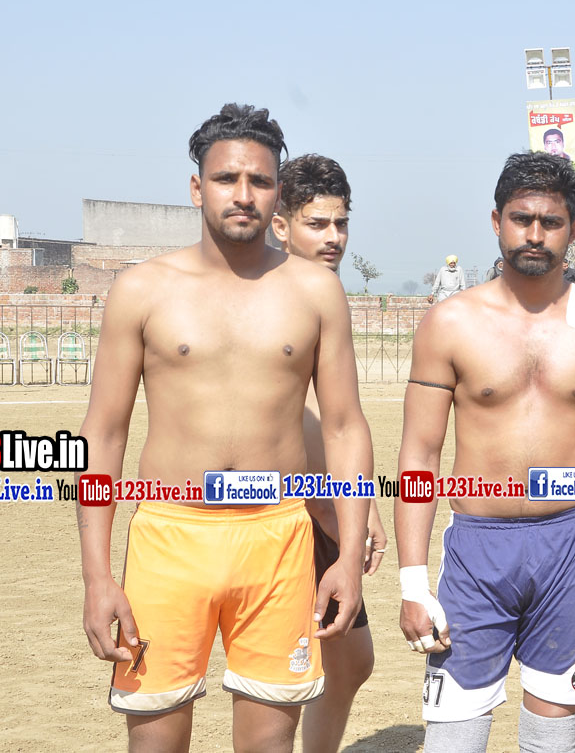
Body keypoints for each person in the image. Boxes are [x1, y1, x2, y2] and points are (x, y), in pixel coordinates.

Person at [77, 104, 372, 753]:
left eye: (259, 180)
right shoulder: (142, 289)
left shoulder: (315, 291)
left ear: (277, 192)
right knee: (155, 742)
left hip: (278, 539)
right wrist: (97, 575)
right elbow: (103, 434)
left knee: (269, 743)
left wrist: (348, 557)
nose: (243, 194)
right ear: (197, 187)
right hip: (169, 537)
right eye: (226, 178)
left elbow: (346, 427)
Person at [396, 152, 575, 753]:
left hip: (570, 549)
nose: (535, 234)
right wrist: (413, 582)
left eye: (551, 221)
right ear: (497, 221)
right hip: (476, 551)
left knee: (552, 739)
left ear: (574, 229)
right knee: (453, 739)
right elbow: (419, 455)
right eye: (521, 219)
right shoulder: (449, 323)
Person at [271, 153, 386, 753]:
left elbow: (334, 418)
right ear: (281, 225)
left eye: (341, 223)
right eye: (317, 223)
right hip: (282, 511)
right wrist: (330, 509)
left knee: (349, 659)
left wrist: (359, 502)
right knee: (288, 672)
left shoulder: (324, 292)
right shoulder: (272, 293)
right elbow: (279, 417)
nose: (334, 237)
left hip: (325, 498)